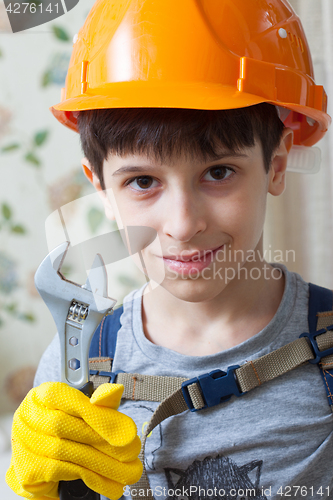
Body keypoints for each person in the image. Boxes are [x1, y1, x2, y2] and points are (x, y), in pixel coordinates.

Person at [6, 0, 333, 499]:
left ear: (276, 164)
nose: (182, 225)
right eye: (142, 181)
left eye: (218, 172)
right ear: (102, 189)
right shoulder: (80, 359)